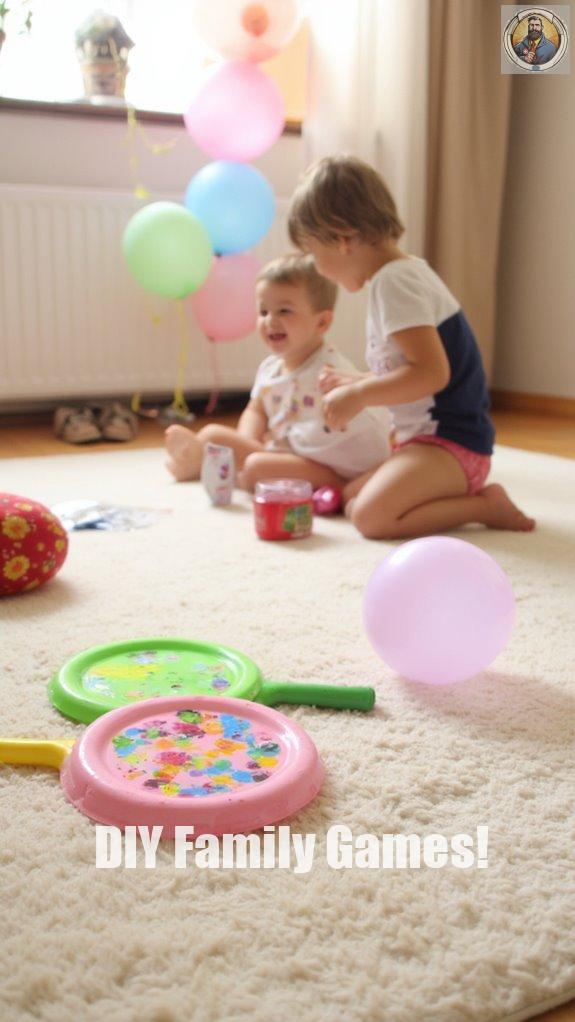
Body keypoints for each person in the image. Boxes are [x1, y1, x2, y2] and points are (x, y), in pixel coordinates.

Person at [287, 154, 535, 540]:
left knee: (370, 518)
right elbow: (410, 369)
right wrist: (356, 380)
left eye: (314, 254)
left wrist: (360, 394)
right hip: (425, 444)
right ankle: (446, 494)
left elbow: (432, 374)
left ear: (342, 238)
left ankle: (484, 505)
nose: (317, 268)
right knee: (350, 498)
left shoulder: (394, 283)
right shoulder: (401, 275)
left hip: (452, 447)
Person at [165, 253, 391, 490]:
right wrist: (247, 441)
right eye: (263, 312)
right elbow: (257, 409)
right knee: (215, 437)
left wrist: (258, 450)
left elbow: (362, 436)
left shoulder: (328, 374)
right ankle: (202, 458)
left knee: (255, 468)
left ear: (322, 322)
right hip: (292, 455)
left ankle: (203, 463)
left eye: (284, 311)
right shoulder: (270, 368)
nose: (270, 320)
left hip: (336, 472)